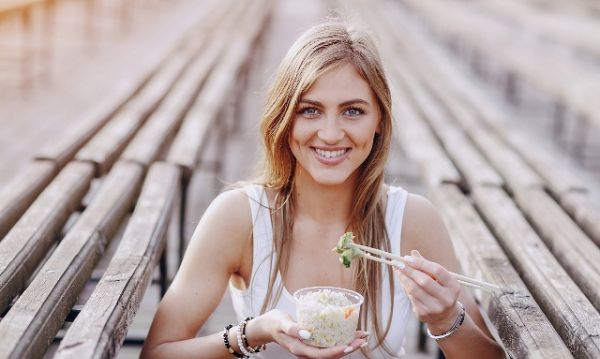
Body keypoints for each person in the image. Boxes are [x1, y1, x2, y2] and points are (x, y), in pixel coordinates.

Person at [141, 20, 505, 359]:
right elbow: (157, 352)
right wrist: (252, 332)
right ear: (284, 119)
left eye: (353, 111)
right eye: (310, 110)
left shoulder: (413, 220)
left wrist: (445, 321)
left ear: (379, 120)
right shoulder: (239, 217)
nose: (330, 133)